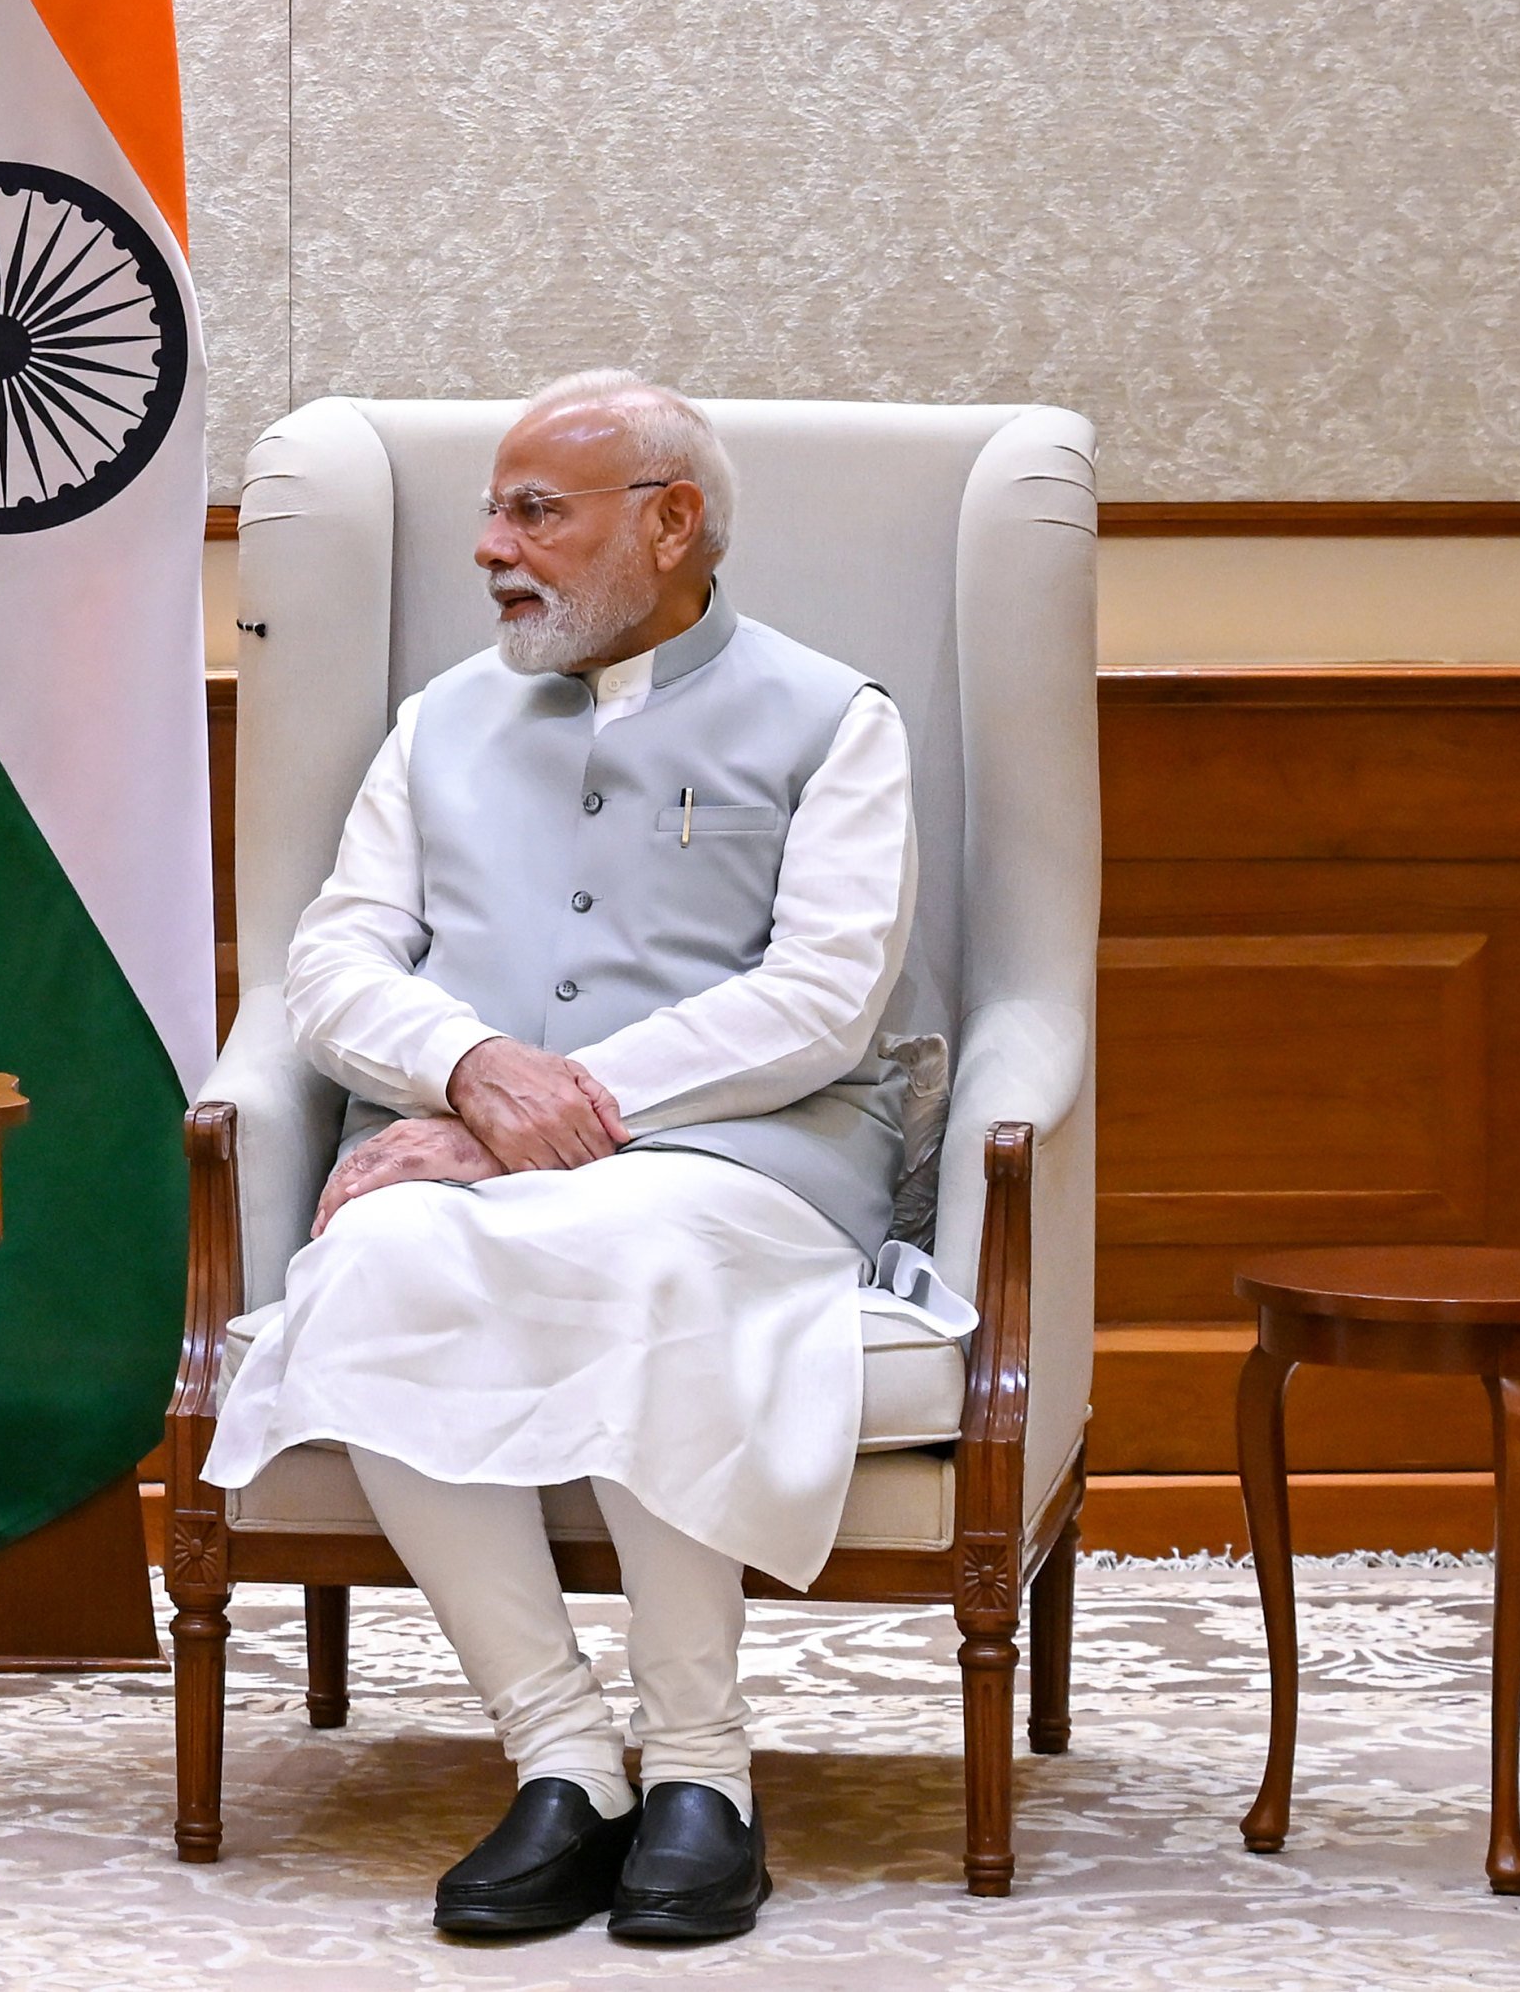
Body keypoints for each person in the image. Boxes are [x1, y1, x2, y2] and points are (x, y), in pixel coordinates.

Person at [203, 371, 921, 1946]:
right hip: (469, 1156)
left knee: (640, 1245)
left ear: (670, 525)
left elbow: (819, 997)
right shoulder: (439, 724)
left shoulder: (835, 719)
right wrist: (467, 1068)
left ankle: (705, 1775)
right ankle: (564, 1757)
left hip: (751, 1165)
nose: (490, 546)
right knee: (373, 1261)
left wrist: (546, 1108)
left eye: (536, 511)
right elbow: (332, 964)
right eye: (492, 508)